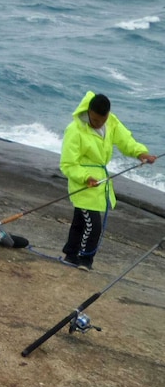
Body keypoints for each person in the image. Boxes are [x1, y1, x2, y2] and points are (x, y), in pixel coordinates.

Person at [59, 92, 156, 270]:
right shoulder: (74, 129)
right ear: (89, 112)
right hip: (82, 182)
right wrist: (85, 177)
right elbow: (67, 164)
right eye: (95, 121)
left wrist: (141, 153)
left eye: (102, 121)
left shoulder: (111, 121)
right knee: (93, 224)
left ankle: (70, 254)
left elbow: (125, 141)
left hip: (101, 181)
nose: (99, 124)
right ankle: (85, 259)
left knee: (80, 220)